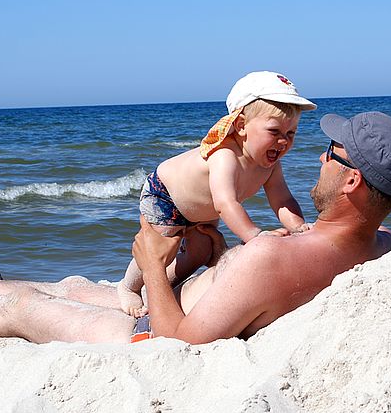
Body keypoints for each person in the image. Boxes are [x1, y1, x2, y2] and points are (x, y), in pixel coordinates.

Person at [0, 111, 391, 346]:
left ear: (352, 180)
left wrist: (152, 265)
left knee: (27, 311)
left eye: (331, 154)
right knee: (76, 288)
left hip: (150, 331)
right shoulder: (382, 247)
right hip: (196, 299)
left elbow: (177, 342)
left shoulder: (275, 256)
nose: (318, 157)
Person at [116, 71, 317, 318]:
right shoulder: (226, 156)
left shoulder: (271, 166)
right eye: (274, 132)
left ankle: (164, 286)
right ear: (242, 126)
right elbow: (225, 203)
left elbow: (282, 199)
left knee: (201, 250)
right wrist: (254, 237)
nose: (283, 141)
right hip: (166, 194)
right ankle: (129, 286)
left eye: (291, 134)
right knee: (161, 246)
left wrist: (298, 226)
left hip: (200, 209)